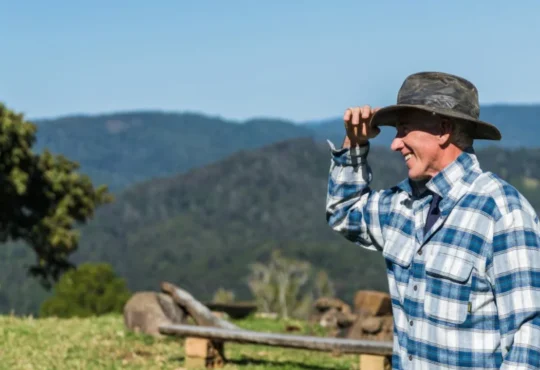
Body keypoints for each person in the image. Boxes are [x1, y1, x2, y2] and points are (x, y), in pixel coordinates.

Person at [326, 71, 540, 369]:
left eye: (404, 131)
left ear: (443, 129)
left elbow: (529, 336)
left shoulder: (502, 212)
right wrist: (353, 145)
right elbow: (344, 213)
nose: (395, 144)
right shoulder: (400, 204)